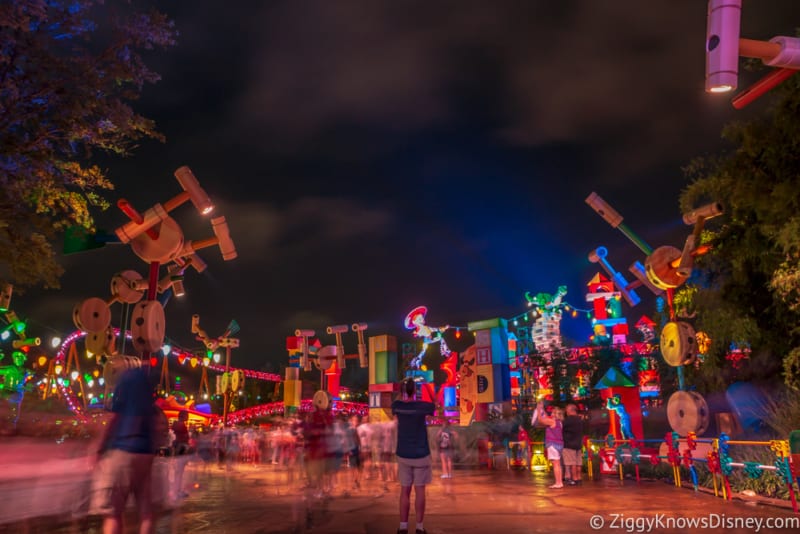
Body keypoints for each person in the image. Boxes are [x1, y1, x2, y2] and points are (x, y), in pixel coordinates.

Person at [91, 366, 159, 534]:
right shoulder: (148, 389)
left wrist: (98, 447)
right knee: (146, 514)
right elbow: (155, 426)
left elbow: (113, 417)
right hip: (146, 453)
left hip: (123, 449)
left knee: (113, 513)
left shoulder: (126, 381)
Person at [391, 377, 435, 534]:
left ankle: (403, 527)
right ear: (415, 391)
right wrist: (426, 386)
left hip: (403, 453)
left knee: (405, 491)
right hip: (421, 454)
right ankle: (419, 527)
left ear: (402, 391)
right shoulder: (423, 406)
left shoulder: (397, 406)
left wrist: (402, 388)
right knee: (420, 490)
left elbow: (396, 401)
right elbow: (434, 402)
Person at [535, 402, 565, 489]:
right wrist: (542, 409)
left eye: (552, 412)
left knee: (555, 464)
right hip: (559, 444)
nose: (550, 414)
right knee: (558, 464)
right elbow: (545, 417)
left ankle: (558, 483)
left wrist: (538, 410)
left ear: (555, 414)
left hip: (553, 444)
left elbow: (541, 420)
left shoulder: (552, 421)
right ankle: (559, 482)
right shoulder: (559, 422)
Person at [562, 404, 584, 485]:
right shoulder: (580, 419)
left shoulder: (567, 420)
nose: (566, 411)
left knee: (572, 463)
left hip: (569, 444)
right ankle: (579, 478)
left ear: (570, 410)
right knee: (578, 462)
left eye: (566, 410)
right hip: (578, 444)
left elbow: (560, 427)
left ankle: (574, 478)